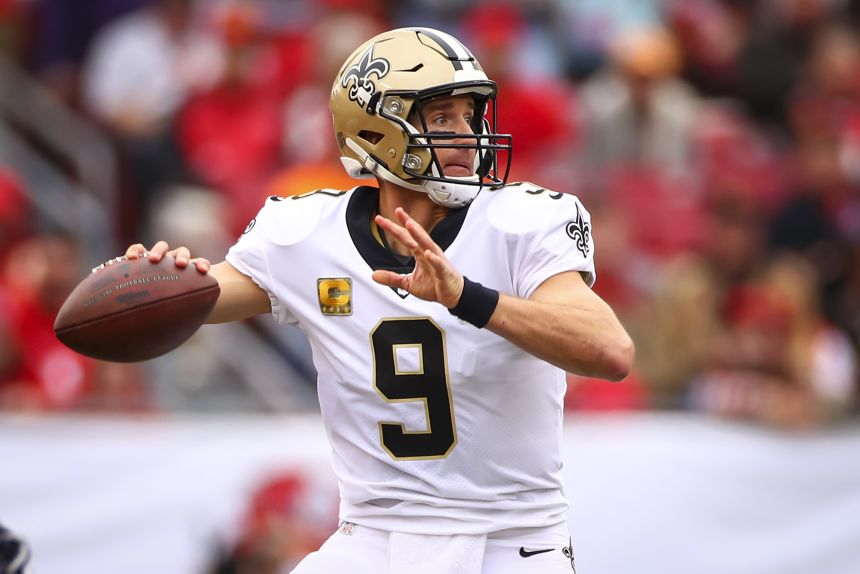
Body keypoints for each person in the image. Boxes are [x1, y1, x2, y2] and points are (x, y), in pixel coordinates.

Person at [122, 27, 634, 574]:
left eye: (470, 115)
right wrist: (147, 284)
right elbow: (192, 299)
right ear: (376, 130)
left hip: (511, 540)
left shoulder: (523, 221)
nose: (467, 135)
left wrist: (467, 298)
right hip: (374, 537)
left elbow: (610, 351)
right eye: (441, 118)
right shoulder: (304, 233)